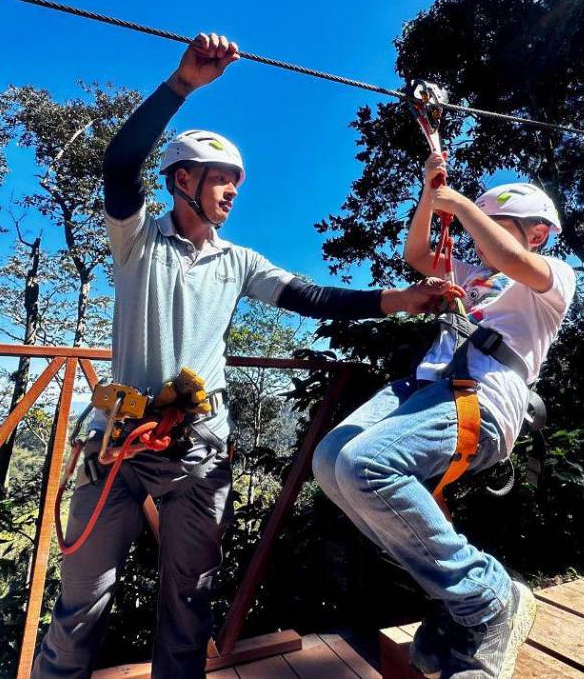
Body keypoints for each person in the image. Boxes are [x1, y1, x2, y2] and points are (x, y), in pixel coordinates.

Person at [32, 33, 451, 679]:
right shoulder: (138, 241)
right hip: (118, 448)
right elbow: (119, 167)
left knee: (188, 608)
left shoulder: (239, 261)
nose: (232, 191)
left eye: (236, 181)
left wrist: (401, 300)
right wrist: (182, 85)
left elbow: (311, 297)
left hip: (198, 451)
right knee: (80, 607)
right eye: (221, 178)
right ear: (182, 180)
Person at [312, 152, 576, 679]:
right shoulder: (473, 272)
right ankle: (456, 600)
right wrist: (429, 196)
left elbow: (509, 257)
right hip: (425, 387)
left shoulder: (551, 279)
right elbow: (416, 254)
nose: (481, 240)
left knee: (366, 465)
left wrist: (458, 205)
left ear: (538, 234)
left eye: (497, 226)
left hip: (484, 396)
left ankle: (486, 597)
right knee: (331, 462)